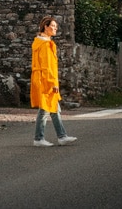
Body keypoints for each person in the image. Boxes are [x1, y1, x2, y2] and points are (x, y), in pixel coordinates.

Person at [30, 15, 77, 146]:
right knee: (45, 108)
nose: (55, 29)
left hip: (41, 78)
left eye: (56, 27)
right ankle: (39, 139)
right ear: (45, 27)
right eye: (52, 26)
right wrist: (53, 83)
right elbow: (47, 66)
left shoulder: (40, 42)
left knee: (54, 108)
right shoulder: (45, 45)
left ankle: (62, 136)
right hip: (45, 80)